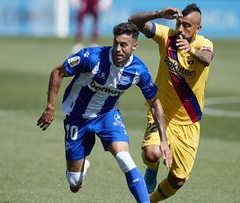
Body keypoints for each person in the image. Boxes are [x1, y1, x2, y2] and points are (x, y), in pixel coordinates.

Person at [37, 22, 172, 202]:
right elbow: (57, 72)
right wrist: (50, 107)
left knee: (124, 158)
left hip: (107, 115)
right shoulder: (91, 57)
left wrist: (163, 140)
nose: (118, 48)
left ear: (134, 46)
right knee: (74, 184)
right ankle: (82, 166)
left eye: (124, 45)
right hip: (77, 117)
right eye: (116, 43)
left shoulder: (138, 70)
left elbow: (155, 103)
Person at [129, 3, 214, 202]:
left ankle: (151, 201)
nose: (182, 30)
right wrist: (158, 14)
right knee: (152, 153)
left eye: (187, 26)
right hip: (161, 112)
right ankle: (152, 167)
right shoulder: (166, 36)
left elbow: (207, 58)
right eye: (180, 24)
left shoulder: (204, 44)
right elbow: (133, 22)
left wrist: (191, 51)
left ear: (198, 29)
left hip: (188, 122)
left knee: (178, 180)